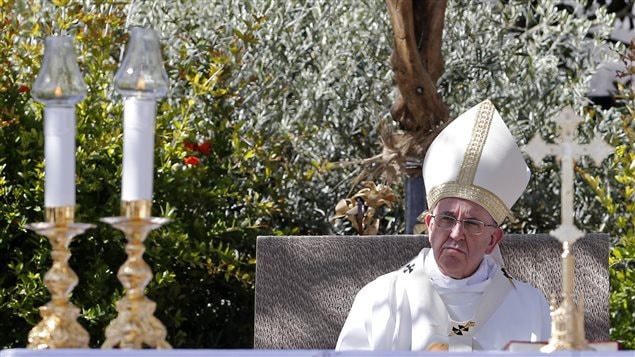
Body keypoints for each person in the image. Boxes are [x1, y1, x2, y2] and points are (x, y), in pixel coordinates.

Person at [336, 99, 551, 351]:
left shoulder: (528, 305)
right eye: (446, 219)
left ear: (493, 240)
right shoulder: (381, 298)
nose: (457, 234)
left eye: (472, 224)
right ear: (429, 225)